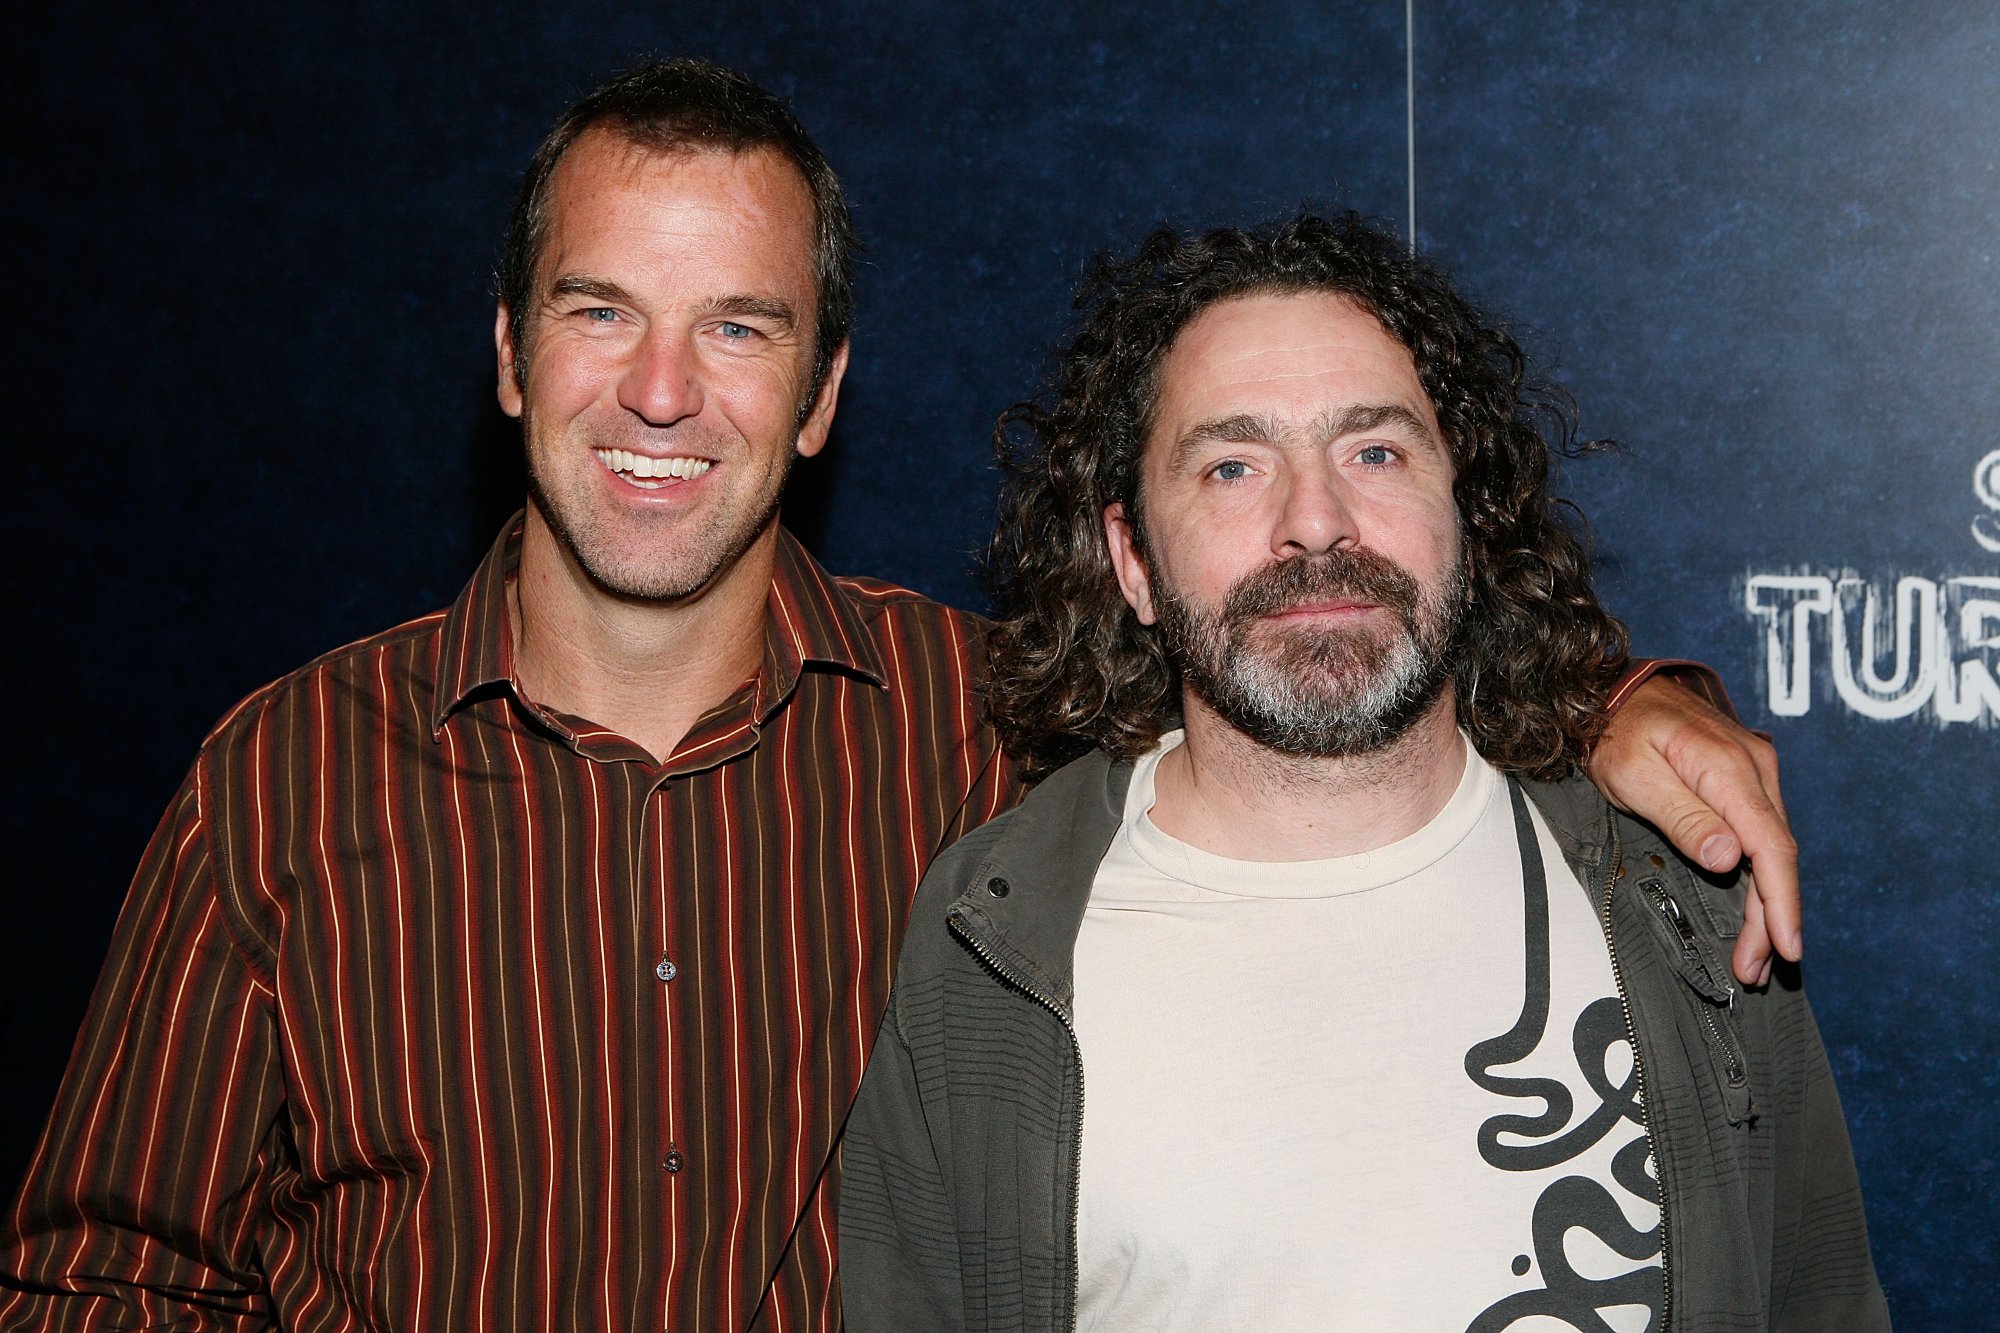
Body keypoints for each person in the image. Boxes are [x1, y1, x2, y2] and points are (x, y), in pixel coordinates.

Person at [1, 62, 1802, 1331]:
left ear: (823, 393)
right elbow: (106, 1274)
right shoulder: (283, 776)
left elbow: (1315, 651)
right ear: (505, 354)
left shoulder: (977, 718)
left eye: (739, 326)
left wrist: (1627, 700)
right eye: (598, 310)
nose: (658, 391)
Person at [839, 214, 1888, 1331]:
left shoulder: (1676, 885)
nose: (1315, 521)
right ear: (1133, 561)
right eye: (1233, 464)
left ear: (1465, 521)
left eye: (1373, 451)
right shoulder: (988, 936)